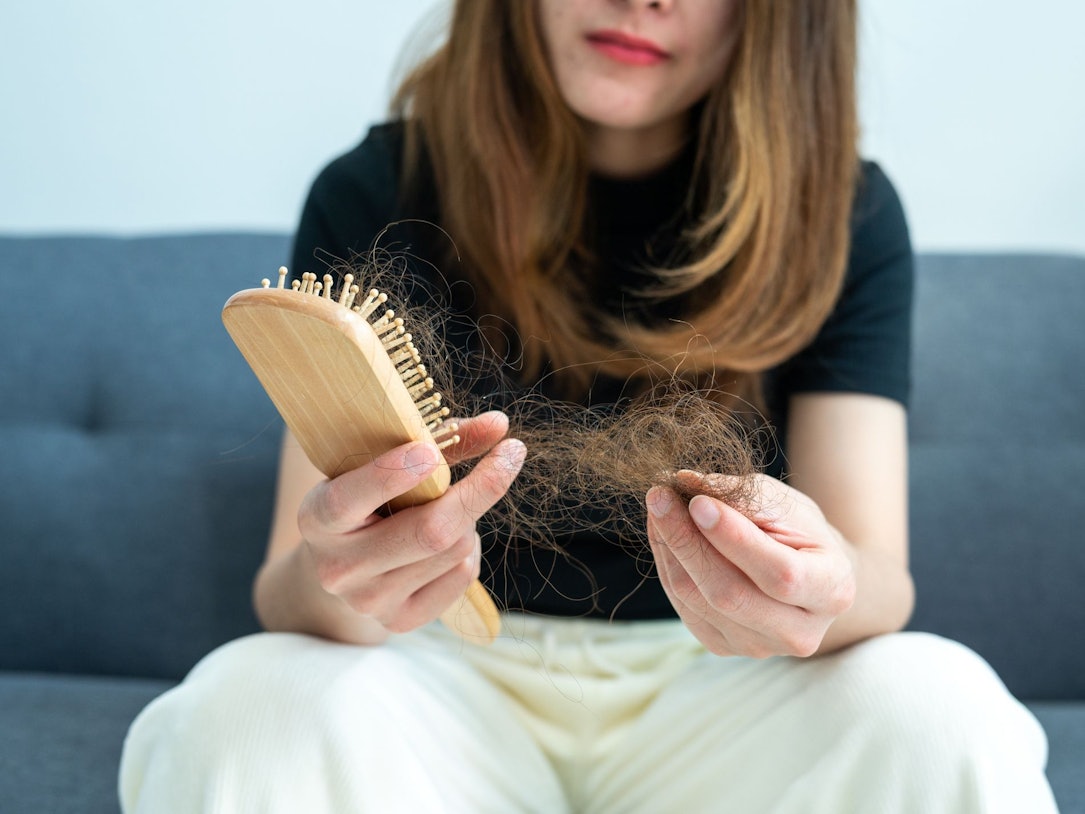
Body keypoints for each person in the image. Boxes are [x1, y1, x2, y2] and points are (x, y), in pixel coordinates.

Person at [119, 1, 1057, 811]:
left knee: (941, 703)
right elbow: (287, 585)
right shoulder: (374, 190)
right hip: (437, 687)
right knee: (239, 705)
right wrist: (346, 573)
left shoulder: (843, 212)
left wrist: (822, 581)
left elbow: (882, 582)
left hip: (724, 693)